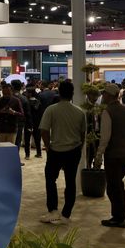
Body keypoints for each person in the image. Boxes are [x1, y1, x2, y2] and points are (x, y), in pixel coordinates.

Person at [38, 82, 86, 225]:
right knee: (70, 182)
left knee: (50, 179)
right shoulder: (79, 111)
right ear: (72, 94)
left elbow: (44, 131)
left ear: (59, 92)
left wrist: (48, 146)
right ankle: (66, 214)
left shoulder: (51, 110)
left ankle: (53, 210)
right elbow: (82, 134)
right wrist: (79, 147)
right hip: (74, 150)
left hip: (55, 150)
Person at [95, 83, 125, 228]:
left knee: (113, 186)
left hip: (113, 155)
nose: (102, 96)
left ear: (109, 95)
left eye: (104, 94)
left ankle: (118, 217)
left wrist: (98, 156)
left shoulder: (108, 112)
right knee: (118, 183)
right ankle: (121, 212)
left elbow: (105, 137)